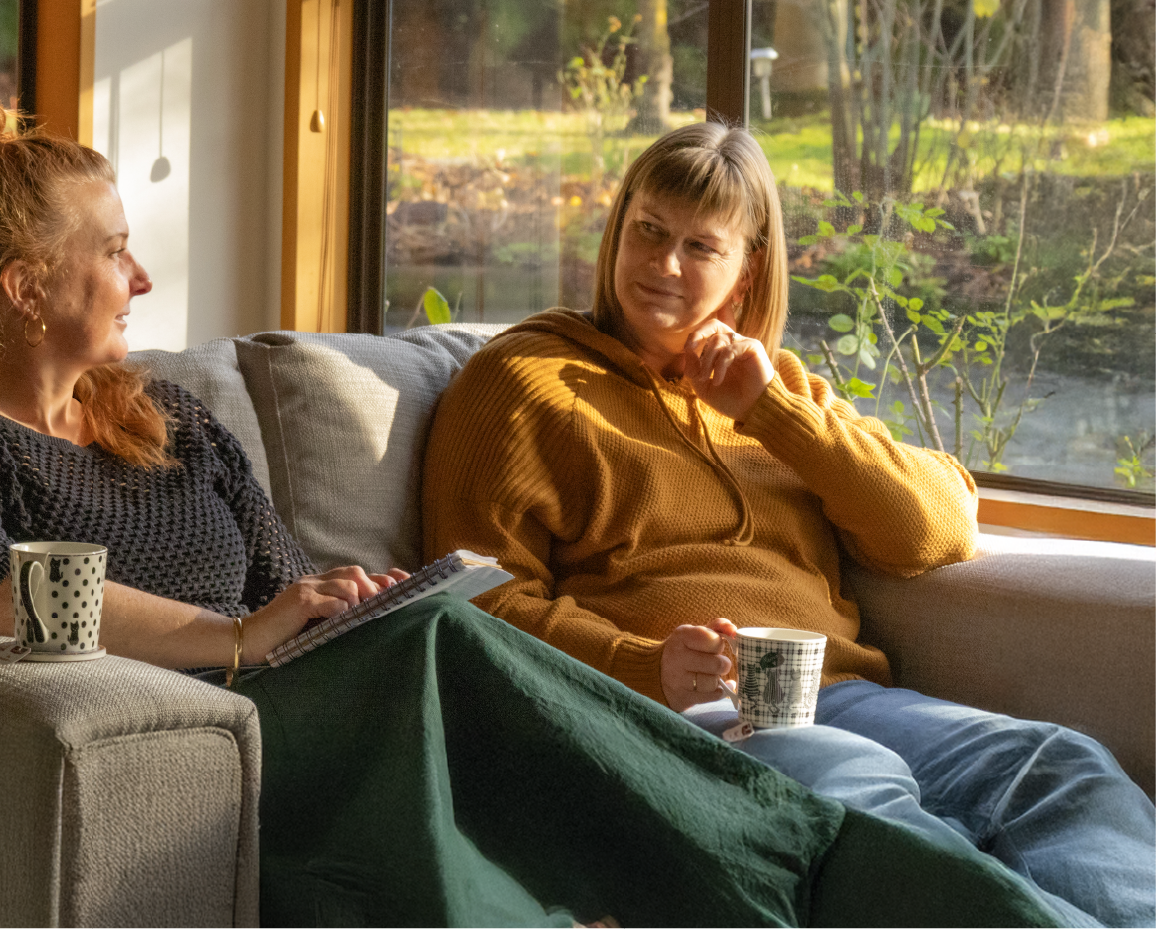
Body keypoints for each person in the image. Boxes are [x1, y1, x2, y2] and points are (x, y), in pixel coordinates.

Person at [0, 105, 1074, 929]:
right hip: (222, 715)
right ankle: (812, 870)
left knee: (424, 623)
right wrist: (248, 635)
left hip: (312, 675)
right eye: (115, 252)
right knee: (459, 651)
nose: (140, 277)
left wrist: (334, 599)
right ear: (27, 284)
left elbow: (286, 573)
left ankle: (838, 880)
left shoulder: (166, 419)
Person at [422, 121, 1156, 929]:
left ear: (745, 272)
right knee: (866, 795)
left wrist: (772, 411)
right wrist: (642, 665)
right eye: (648, 232)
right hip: (669, 721)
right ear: (617, 229)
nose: (664, 265)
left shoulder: (773, 390)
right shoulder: (522, 380)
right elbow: (467, 601)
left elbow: (937, 528)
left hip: (845, 699)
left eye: (701, 247)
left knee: (1060, 764)